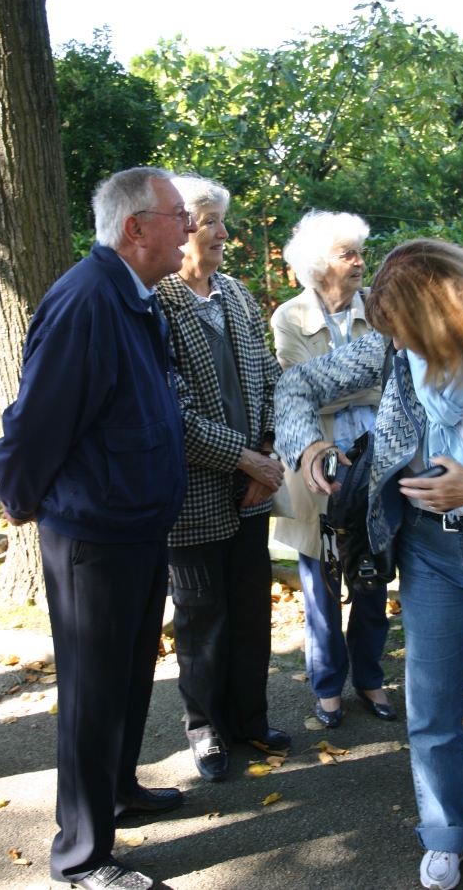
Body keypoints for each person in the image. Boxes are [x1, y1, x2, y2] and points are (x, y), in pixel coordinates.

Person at [273, 239, 463, 890]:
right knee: (432, 706)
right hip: (430, 554)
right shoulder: (396, 347)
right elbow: (298, 383)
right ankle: (446, 832)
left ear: (453, 321)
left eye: (417, 339)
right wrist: (305, 444)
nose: (405, 354)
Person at [0, 167, 193, 890]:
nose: (191, 227)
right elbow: (35, 420)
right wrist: (17, 500)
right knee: (91, 689)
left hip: (136, 523)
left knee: (129, 675)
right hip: (95, 532)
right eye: (179, 215)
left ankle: (116, 792)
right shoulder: (87, 300)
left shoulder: (137, 296)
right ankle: (81, 856)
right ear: (135, 228)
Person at [155, 174, 290, 784]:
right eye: (210, 221)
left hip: (251, 493)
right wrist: (245, 458)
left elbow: (268, 377)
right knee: (201, 617)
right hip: (193, 498)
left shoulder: (234, 294)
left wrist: (265, 453)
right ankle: (205, 728)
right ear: (181, 227)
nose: (222, 233)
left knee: (250, 613)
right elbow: (169, 411)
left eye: (220, 222)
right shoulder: (155, 301)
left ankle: (249, 719)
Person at [271, 211, 393, 728]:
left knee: (372, 576)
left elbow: (392, 383)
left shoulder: (383, 312)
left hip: (375, 465)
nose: (362, 262)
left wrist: (330, 388)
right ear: (321, 265)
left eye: (361, 251)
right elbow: (294, 388)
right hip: (315, 468)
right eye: (349, 254)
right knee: (320, 583)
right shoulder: (289, 318)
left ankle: (368, 676)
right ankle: (326, 685)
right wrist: (361, 385)